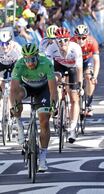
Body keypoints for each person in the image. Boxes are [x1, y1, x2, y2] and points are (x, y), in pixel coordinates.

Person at [10, 43, 57, 172]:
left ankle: (42, 157)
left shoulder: (46, 63)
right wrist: (14, 107)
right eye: (27, 59)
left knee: (44, 122)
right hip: (27, 88)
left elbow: (53, 89)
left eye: (32, 59)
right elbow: (13, 90)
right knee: (17, 97)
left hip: (43, 90)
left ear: (37, 56)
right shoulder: (19, 65)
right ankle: (19, 125)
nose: (29, 63)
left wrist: (53, 105)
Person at [45, 27, 83, 143]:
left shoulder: (76, 48)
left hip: (72, 69)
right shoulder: (51, 48)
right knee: (55, 80)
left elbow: (79, 69)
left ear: (69, 40)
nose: (62, 43)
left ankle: (72, 128)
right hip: (58, 67)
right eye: (59, 41)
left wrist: (79, 86)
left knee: (74, 97)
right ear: (56, 41)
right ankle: (56, 104)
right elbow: (49, 69)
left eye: (65, 40)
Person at [71, 24, 100, 117]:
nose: (80, 40)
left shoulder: (92, 42)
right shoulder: (71, 42)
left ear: (87, 37)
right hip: (74, 61)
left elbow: (96, 61)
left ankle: (89, 104)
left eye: (83, 38)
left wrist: (95, 76)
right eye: (78, 38)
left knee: (89, 77)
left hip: (87, 60)